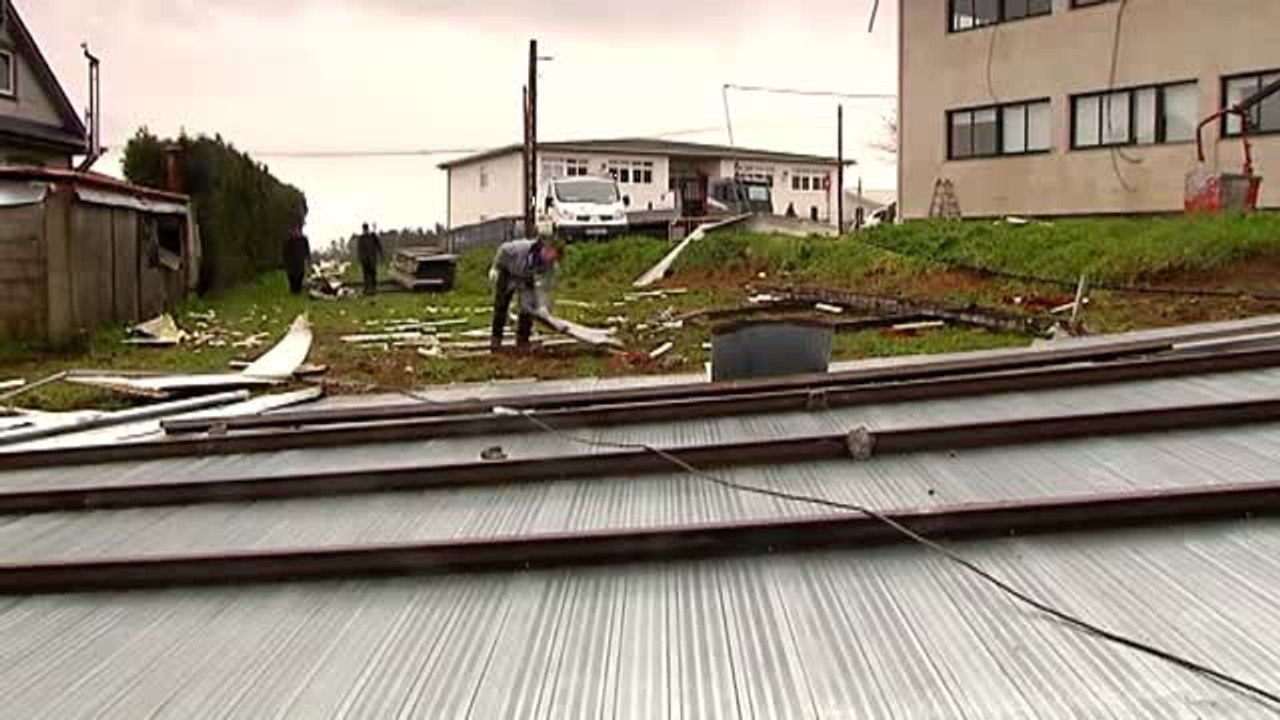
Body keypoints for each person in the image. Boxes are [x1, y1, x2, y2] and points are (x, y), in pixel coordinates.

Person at [489, 237, 560, 353]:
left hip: (526, 279)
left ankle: (523, 341)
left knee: (527, 308)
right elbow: (503, 249)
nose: (550, 260)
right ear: (546, 249)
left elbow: (543, 288)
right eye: (549, 255)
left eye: (553, 258)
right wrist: (495, 267)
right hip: (507, 272)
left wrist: (542, 306)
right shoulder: (520, 248)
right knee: (501, 305)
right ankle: (495, 341)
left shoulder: (550, 267)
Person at [283, 214, 310, 296]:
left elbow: (307, 251)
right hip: (291, 264)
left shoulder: (303, 240)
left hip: (300, 263)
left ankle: (298, 292)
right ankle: (293, 292)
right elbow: (285, 252)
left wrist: (308, 259)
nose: (295, 231)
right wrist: (286, 262)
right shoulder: (288, 241)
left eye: (297, 229)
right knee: (292, 278)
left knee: (299, 278)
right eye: (294, 230)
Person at [356, 223, 383, 295]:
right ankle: (366, 289)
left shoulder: (373, 236)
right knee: (365, 275)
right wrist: (360, 258)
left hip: (372, 259)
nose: (365, 231)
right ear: (363, 230)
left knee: (373, 274)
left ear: (368, 229)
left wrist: (381, 254)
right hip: (365, 260)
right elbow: (359, 249)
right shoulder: (361, 238)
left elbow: (378, 245)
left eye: (366, 229)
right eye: (364, 229)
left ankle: (374, 288)